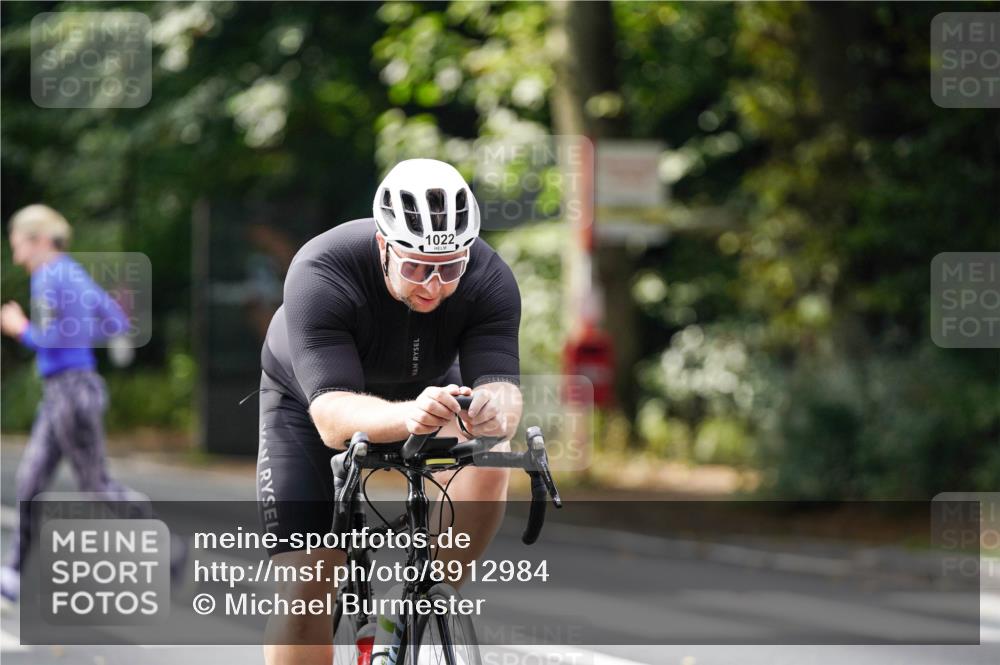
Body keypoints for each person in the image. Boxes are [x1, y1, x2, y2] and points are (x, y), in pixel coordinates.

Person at [258, 158, 522, 664]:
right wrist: (409, 418)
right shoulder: (321, 269)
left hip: (424, 394)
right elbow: (333, 420)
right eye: (417, 266)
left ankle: (423, 603)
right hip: (310, 403)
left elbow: (503, 388)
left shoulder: (488, 277)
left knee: (494, 453)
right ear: (384, 245)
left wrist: (496, 411)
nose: (434, 285)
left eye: (450, 268)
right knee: (305, 586)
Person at [0, 204, 152, 602]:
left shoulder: (48, 278)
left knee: (97, 486)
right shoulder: (74, 274)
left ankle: (165, 548)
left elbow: (49, 339)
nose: (16, 255)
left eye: (19, 245)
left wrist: (20, 330)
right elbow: (117, 323)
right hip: (67, 392)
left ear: (39, 241)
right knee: (30, 481)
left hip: (69, 392)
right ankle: (13, 573)